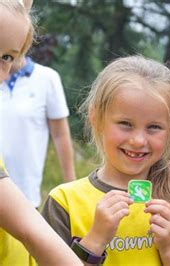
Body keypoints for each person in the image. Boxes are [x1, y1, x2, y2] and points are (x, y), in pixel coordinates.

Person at [42, 55, 170, 265]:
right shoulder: (65, 202)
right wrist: (95, 240)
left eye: (154, 127)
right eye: (125, 123)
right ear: (96, 118)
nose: (138, 140)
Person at [0, 1, 81, 265]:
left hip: (25, 195)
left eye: (7, 57)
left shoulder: (47, 80)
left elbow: (60, 135)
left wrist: (71, 187)